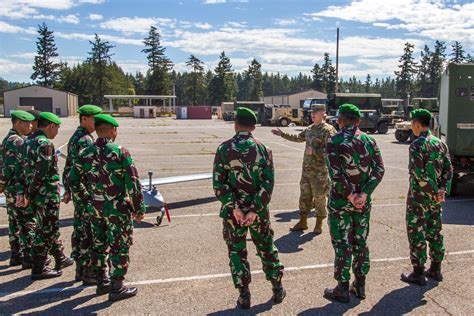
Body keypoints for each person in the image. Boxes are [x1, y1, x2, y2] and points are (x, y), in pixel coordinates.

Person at [213, 107, 285, 309]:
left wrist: (235, 207)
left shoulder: (224, 149)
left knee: (237, 252)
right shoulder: (263, 150)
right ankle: (277, 288)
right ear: (253, 127)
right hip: (258, 214)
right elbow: (267, 184)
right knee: (266, 248)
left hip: (232, 215)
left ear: (236, 125)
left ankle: (244, 295)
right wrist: (254, 209)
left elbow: (219, 185)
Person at [70, 114, 145, 301]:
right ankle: (117, 287)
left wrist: (86, 199)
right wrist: (138, 209)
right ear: (113, 130)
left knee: (99, 243)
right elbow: (133, 184)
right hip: (117, 209)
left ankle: (101, 281)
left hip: (95, 208)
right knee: (119, 245)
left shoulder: (85, 153)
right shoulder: (120, 152)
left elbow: (72, 180)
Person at [324, 104, 385, 303]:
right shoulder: (369, 140)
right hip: (362, 204)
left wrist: (350, 195)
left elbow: (335, 173)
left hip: (341, 203)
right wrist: (364, 194)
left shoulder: (334, 140)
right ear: (358, 121)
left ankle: (342, 288)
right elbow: (379, 170)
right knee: (360, 242)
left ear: (340, 121)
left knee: (342, 243)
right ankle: (360, 284)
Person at [401, 109, 453, 285]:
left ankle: (418, 273)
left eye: (412, 123)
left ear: (417, 124)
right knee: (435, 231)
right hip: (435, 199)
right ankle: (436, 269)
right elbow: (448, 169)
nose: (411, 127)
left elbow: (418, 174)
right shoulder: (440, 143)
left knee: (417, 233)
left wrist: (432, 191)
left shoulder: (417, 145)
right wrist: (441, 190)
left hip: (419, 198)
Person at [22, 112, 73, 280]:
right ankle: (39, 267)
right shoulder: (45, 144)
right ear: (51, 126)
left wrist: (28, 192)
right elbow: (42, 172)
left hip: (36, 194)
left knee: (47, 228)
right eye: (56, 128)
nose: (56, 132)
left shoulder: (28, 141)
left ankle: (60, 257)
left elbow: (25, 169)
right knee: (45, 230)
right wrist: (32, 192)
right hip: (45, 195)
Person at [272, 104, 336, 234]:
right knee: (304, 196)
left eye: (316, 112)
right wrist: (282, 134)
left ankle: (319, 223)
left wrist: (315, 151)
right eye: (312, 112)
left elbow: (332, 151)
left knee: (319, 197)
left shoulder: (328, 130)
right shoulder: (309, 129)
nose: (312, 114)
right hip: (306, 171)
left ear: (323, 113)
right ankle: (303, 221)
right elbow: (298, 138)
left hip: (320, 172)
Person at [62, 104, 102, 282]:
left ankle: (80, 270)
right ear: (84, 119)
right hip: (86, 193)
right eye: (95, 118)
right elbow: (84, 169)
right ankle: (88, 272)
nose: (97, 122)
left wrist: (68, 189)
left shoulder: (75, 138)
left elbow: (68, 167)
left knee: (79, 229)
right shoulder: (85, 140)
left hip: (79, 192)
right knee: (88, 232)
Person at [1, 110, 35, 266]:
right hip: (18, 189)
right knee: (26, 222)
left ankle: (16, 254)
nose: (30, 126)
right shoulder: (17, 142)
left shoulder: (9, 139)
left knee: (14, 222)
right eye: (27, 122)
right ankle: (28, 256)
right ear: (18, 123)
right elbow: (9, 167)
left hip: (11, 188)